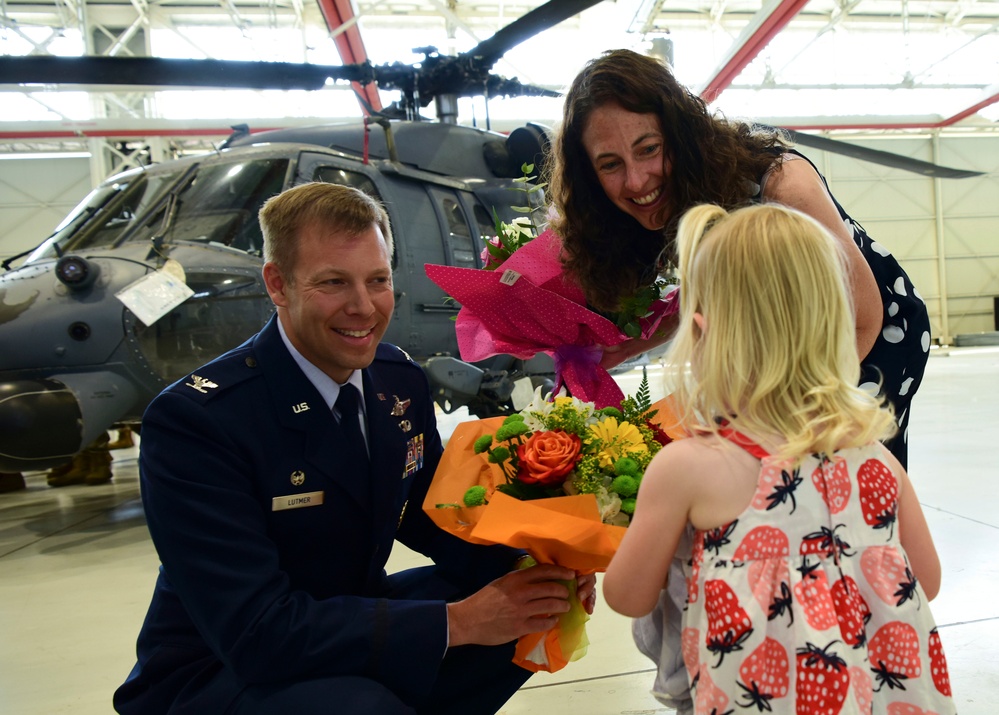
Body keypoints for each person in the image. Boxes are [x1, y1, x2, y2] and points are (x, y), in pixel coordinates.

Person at [114, 182, 596, 715]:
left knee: (527, 607)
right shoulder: (199, 421)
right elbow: (256, 632)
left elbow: (434, 515)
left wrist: (535, 566)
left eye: (378, 280)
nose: (363, 307)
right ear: (278, 284)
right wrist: (458, 623)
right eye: (333, 283)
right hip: (218, 667)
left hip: (341, 618)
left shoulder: (395, 379)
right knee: (363, 705)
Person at [603, 203, 955, 712]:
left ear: (700, 331)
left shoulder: (689, 468)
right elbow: (929, 581)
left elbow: (628, 596)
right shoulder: (877, 459)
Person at [548, 48, 930, 470]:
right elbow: (719, 300)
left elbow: (862, 316)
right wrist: (629, 347)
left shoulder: (781, 185)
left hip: (869, 338)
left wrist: (796, 413)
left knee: (840, 489)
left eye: (649, 148)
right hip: (778, 349)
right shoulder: (667, 203)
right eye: (610, 164)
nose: (636, 180)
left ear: (679, 134)